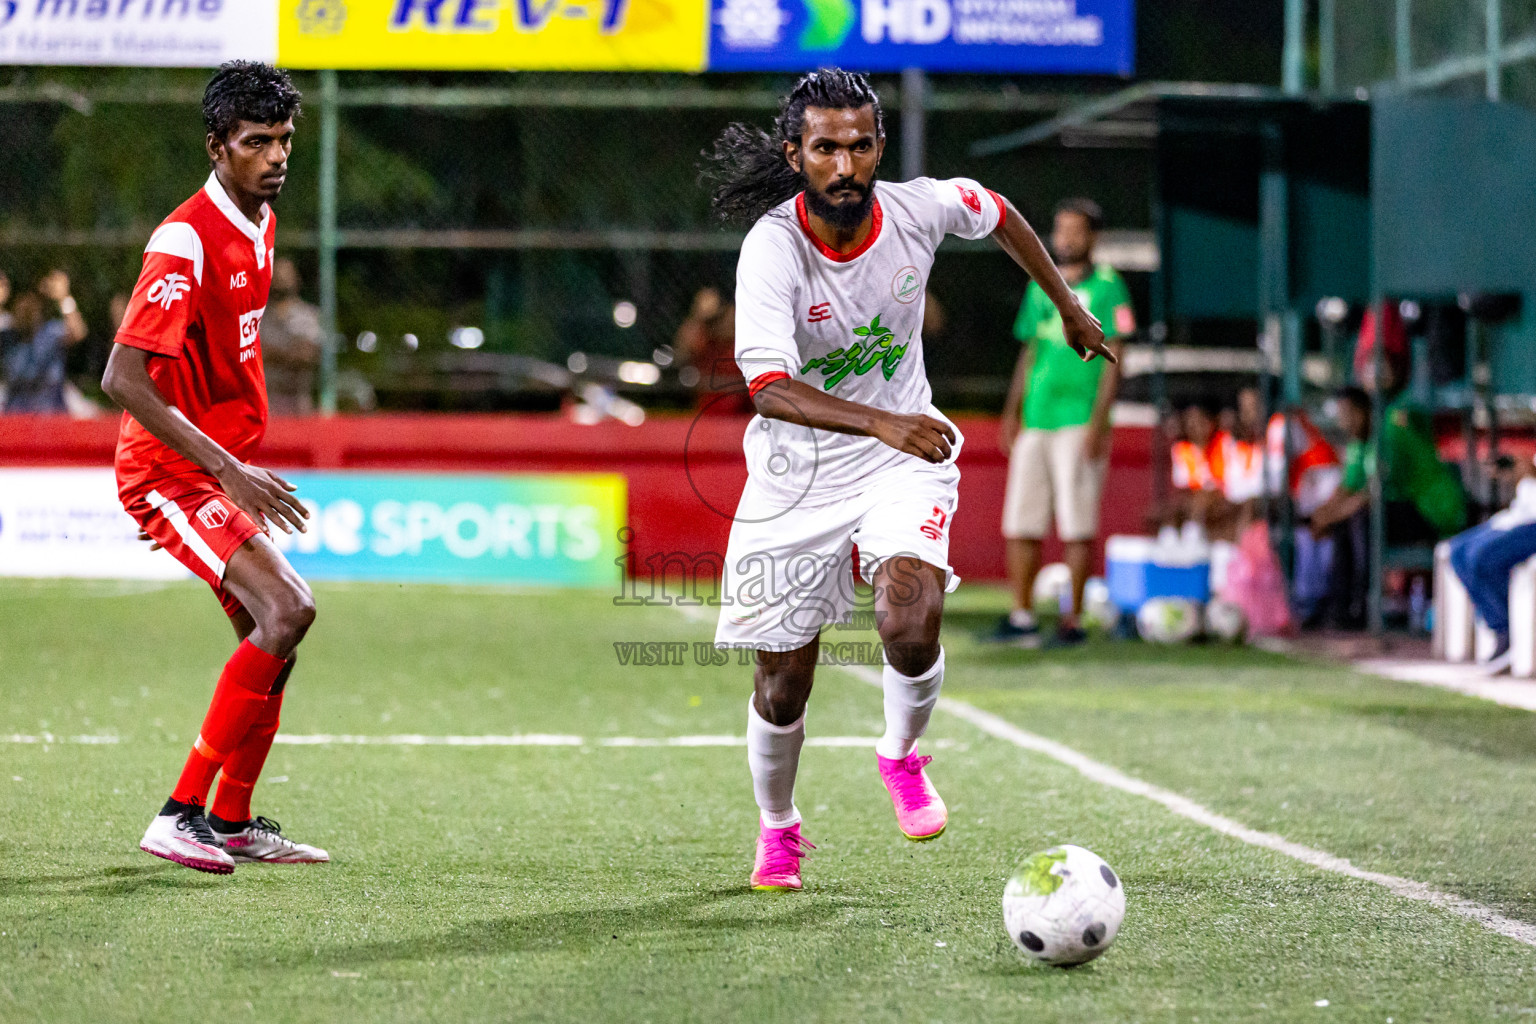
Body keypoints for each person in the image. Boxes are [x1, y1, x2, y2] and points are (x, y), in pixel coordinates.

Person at [701, 69, 1113, 891]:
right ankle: (779, 827)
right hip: (797, 472)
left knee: (909, 612)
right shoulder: (773, 247)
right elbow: (769, 387)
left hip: (901, 460)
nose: (846, 166)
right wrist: (880, 419)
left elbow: (997, 212)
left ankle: (900, 756)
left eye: (861, 146)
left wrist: (1065, 304)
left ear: (880, 146)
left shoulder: (920, 207)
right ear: (796, 155)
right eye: (826, 149)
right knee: (782, 685)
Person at [100, 61, 327, 874]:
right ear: (217, 146)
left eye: (285, 139)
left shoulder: (259, 222)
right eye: (256, 141)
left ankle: (229, 820)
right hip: (170, 473)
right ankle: (178, 813)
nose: (276, 156)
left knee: (274, 637)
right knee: (289, 609)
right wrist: (228, 467)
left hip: (212, 469)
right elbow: (122, 378)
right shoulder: (185, 237)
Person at [991, 198, 1135, 647]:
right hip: (1038, 418)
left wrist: (1100, 422)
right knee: (1021, 520)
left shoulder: (1110, 286)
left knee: (1077, 523)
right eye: (1060, 229)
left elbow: (1118, 358)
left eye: (1075, 230)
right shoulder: (1041, 284)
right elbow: (1029, 350)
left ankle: (1072, 621)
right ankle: (1022, 616)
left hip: (1078, 418)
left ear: (1093, 237)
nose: (1065, 238)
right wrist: (1012, 411)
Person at [1311, 385, 1466, 628]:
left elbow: (1369, 496)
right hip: (1401, 509)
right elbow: (1346, 488)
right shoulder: (1359, 443)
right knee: (1347, 522)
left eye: (1346, 414)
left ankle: (1364, 604)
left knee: (1362, 518)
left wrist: (1328, 518)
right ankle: (1340, 606)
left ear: (1362, 413)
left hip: (1433, 512)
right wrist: (1319, 517)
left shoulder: (1389, 433)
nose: (1342, 422)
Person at [1447, 456, 1536, 666]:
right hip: (1521, 514)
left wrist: (1527, 471)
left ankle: (1505, 629)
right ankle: (1498, 623)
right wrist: (1516, 471)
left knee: (1480, 557)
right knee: (1457, 552)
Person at [1, 270, 88, 413]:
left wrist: (64, 298)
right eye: (22, 303)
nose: (27, 309)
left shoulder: (52, 332)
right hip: (16, 418)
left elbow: (78, 332)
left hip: (51, 415)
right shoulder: (6, 336)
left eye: (32, 303)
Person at [258, 257, 323, 415]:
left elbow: (307, 355)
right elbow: (254, 354)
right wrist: (290, 351)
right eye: (277, 274)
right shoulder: (257, 316)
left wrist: (270, 353)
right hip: (266, 405)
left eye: (286, 274)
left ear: (296, 278)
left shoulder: (309, 315)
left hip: (298, 405)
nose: (281, 278)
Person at [673, 285, 748, 414]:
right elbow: (682, 353)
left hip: (741, 413)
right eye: (713, 321)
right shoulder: (704, 339)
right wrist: (700, 318)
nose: (719, 324)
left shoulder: (742, 340)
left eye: (720, 318)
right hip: (708, 412)